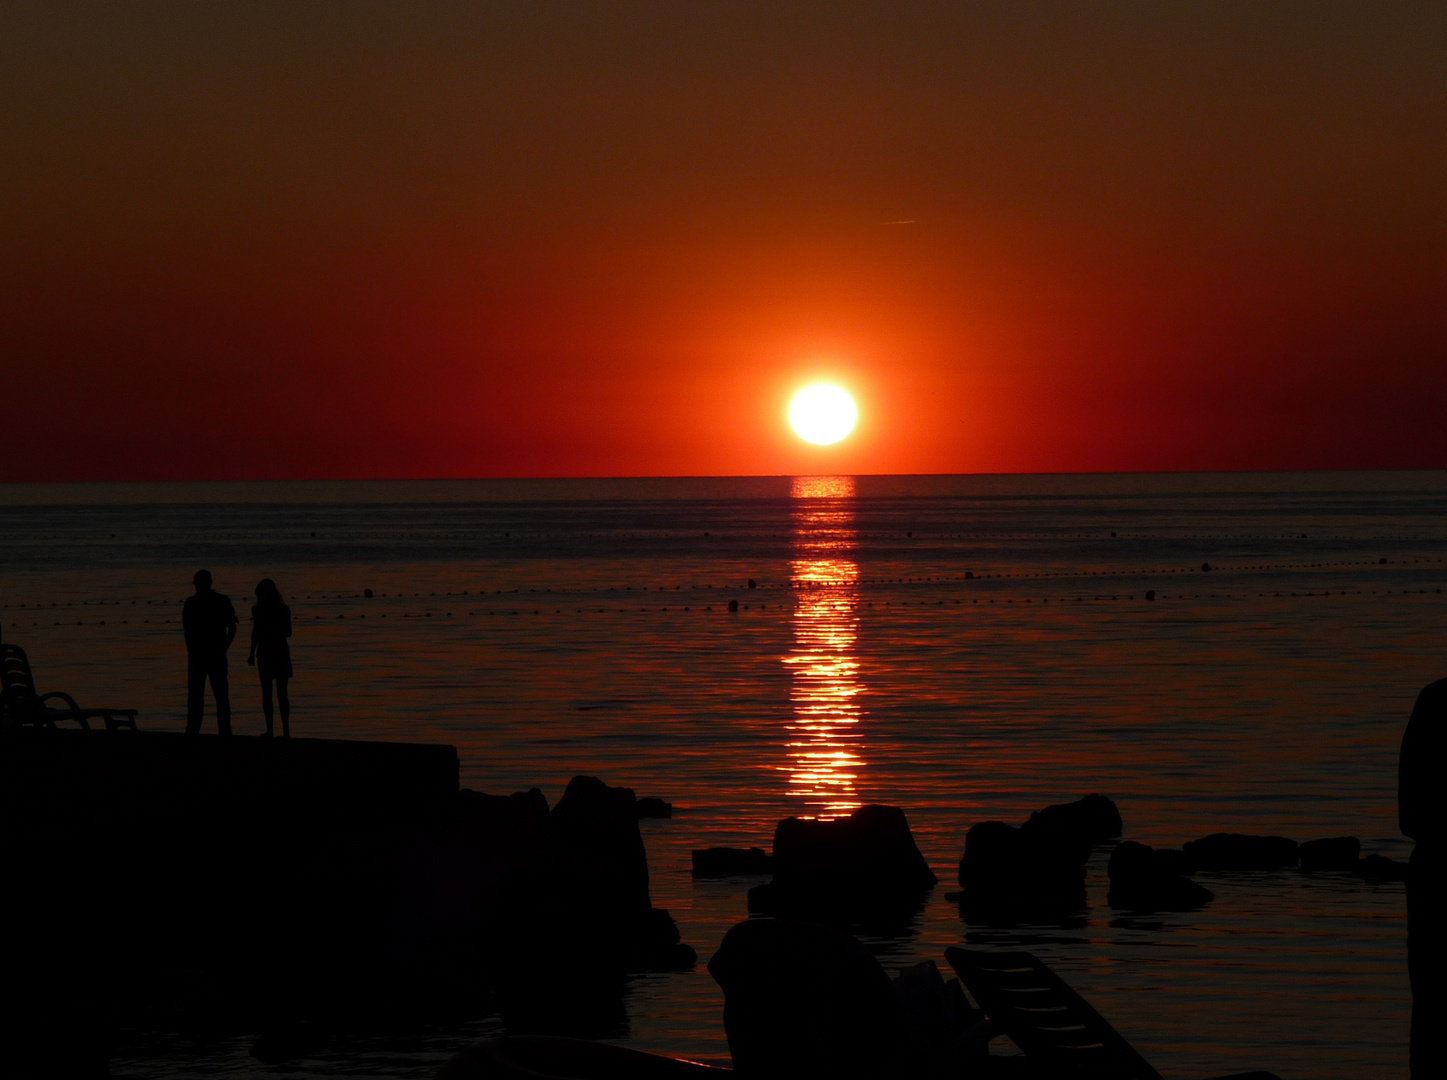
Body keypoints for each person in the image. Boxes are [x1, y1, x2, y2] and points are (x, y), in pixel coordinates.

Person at [1401, 677, 1445, 1079]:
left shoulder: (1432, 700)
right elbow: (1410, 815)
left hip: (1432, 875)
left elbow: (1409, 815)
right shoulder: (1433, 701)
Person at [182, 569, 237, 735]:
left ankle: (194, 731)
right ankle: (222, 731)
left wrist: (193, 650)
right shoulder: (220, 601)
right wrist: (223, 648)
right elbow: (232, 628)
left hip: (203, 655)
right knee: (216, 696)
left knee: (199, 697)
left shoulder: (192, 603)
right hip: (211, 654)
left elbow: (188, 631)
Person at [247, 578, 293, 737]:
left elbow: (256, 633)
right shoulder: (284, 609)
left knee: (267, 693)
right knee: (282, 693)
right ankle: (286, 730)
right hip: (280, 650)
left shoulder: (258, 610)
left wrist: (251, 653)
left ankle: (270, 730)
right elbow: (289, 633)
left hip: (265, 651)